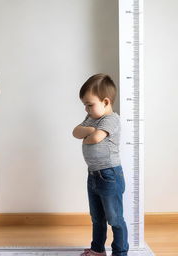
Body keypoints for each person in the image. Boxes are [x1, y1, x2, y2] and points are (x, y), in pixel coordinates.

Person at [73, 74, 129, 256]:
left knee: (115, 218)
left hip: (110, 175)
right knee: (97, 217)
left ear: (105, 102)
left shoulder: (111, 119)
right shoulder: (91, 119)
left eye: (90, 104)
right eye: (85, 105)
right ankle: (98, 249)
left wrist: (88, 136)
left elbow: (96, 139)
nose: (86, 109)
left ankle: (120, 252)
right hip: (93, 175)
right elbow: (75, 132)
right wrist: (89, 130)